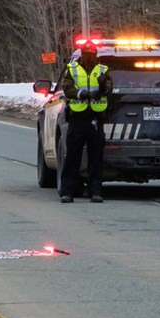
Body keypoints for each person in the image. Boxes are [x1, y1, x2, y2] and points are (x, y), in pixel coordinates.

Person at [58, 46, 113, 203]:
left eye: (91, 54)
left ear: (96, 54)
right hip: (77, 118)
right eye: (86, 53)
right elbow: (67, 87)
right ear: (81, 54)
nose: (89, 56)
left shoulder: (103, 69)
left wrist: (103, 88)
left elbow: (110, 89)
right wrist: (82, 94)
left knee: (96, 158)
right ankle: (68, 191)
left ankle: (95, 191)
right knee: (72, 157)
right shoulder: (72, 68)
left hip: (96, 118)